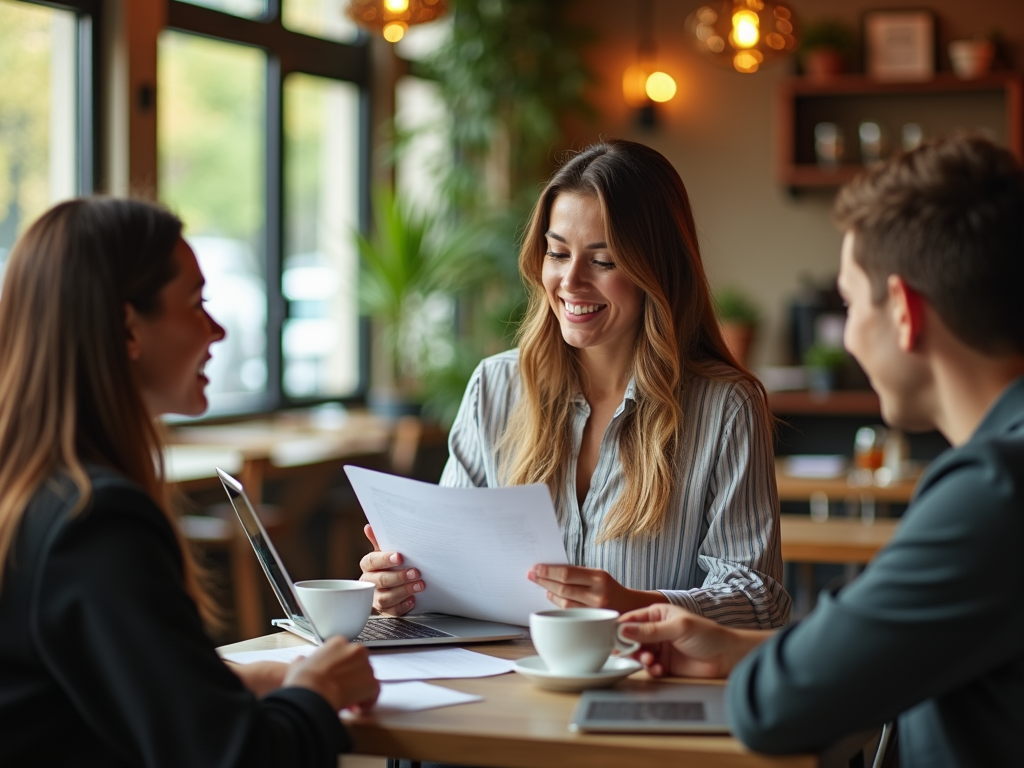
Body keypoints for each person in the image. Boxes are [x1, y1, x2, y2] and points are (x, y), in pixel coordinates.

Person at [619, 134, 1024, 767]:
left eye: (851, 303)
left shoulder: (995, 491)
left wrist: (766, 666)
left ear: (906, 314)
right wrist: (737, 648)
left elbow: (775, 708)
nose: (850, 337)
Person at [0, 198, 379, 767]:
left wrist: (245, 684)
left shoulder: (34, 497)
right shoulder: (96, 521)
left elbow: (98, 695)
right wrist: (317, 691)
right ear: (130, 329)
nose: (219, 330)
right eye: (197, 304)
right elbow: (235, 758)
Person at [361, 139, 790, 629]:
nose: (570, 281)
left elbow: (759, 600)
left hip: (646, 691)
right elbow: (448, 568)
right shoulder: (494, 388)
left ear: (658, 271)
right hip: (508, 689)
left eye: (603, 261)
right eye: (558, 253)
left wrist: (631, 603)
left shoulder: (726, 408)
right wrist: (405, 585)